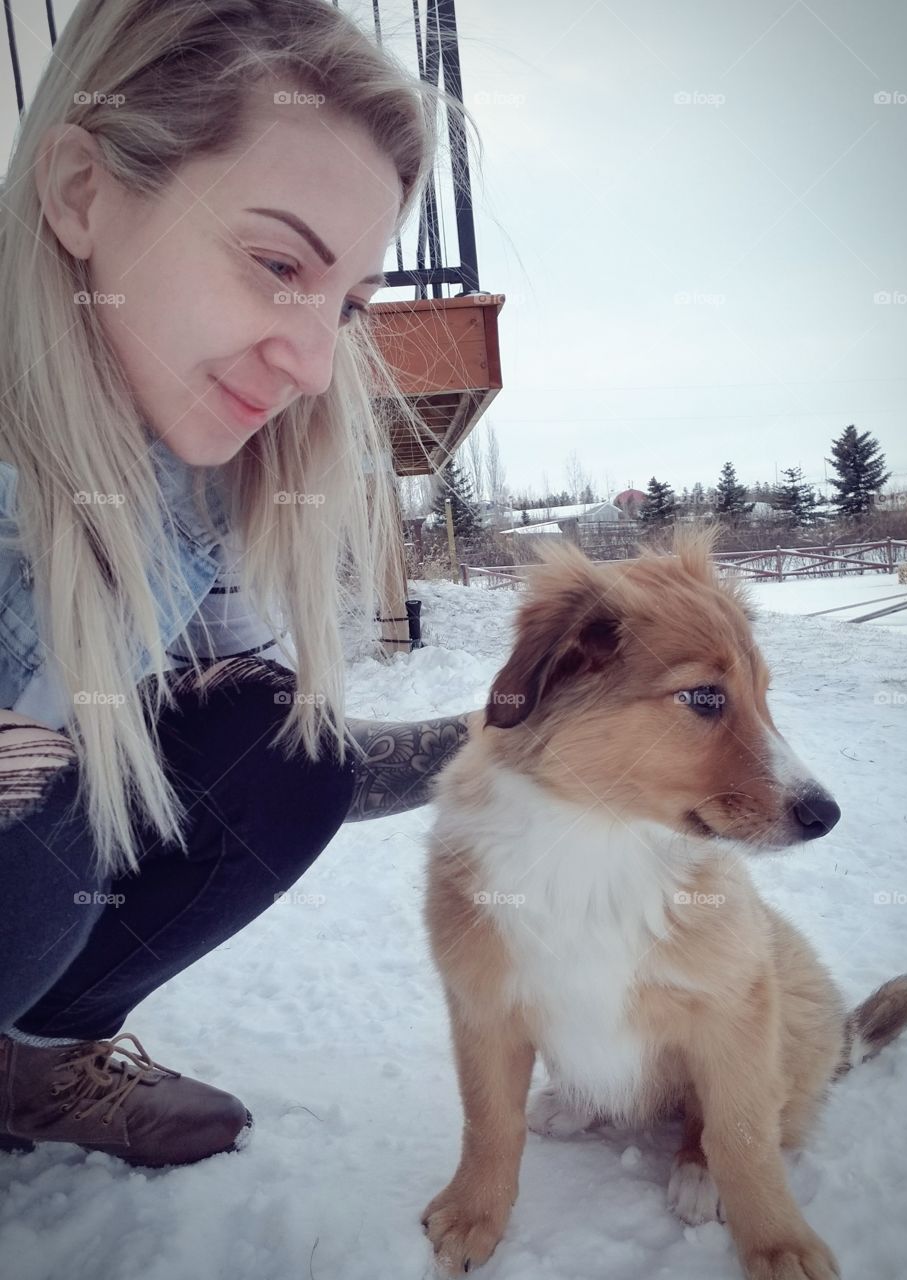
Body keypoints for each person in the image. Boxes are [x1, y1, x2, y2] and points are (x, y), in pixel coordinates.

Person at [0, 0, 481, 1168]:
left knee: (285, 752)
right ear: (79, 193)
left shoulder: (207, 470)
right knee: (38, 782)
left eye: (349, 301)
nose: (317, 362)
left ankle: (34, 1055)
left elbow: (250, 749)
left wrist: (502, 734)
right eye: (277, 263)